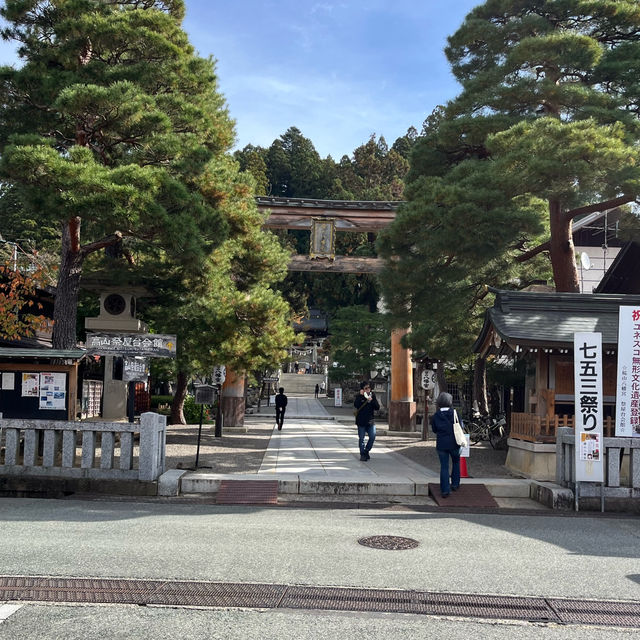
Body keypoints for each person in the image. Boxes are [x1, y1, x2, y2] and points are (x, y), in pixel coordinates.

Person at [430, 392, 462, 498]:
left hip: (442, 444)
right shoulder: (455, 413)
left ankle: (445, 490)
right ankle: (455, 484)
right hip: (455, 443)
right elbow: (460, 427)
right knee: (456, 462)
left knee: (444, 466)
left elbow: (434, 430)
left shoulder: (435, 416)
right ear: (450, 402)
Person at [353, 381, 379, 461]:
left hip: (370, 420)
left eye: (369, 388)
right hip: (361, 421)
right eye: (366, 388)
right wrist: (361, 396)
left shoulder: (372, 395)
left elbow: (377, 407)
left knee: (372, 436)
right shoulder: (359, 396)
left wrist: (372, 401)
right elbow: (356, 405)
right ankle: (362, 454)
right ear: (362, 389)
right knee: (362, 438)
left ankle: (366, 450)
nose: (368, 390)